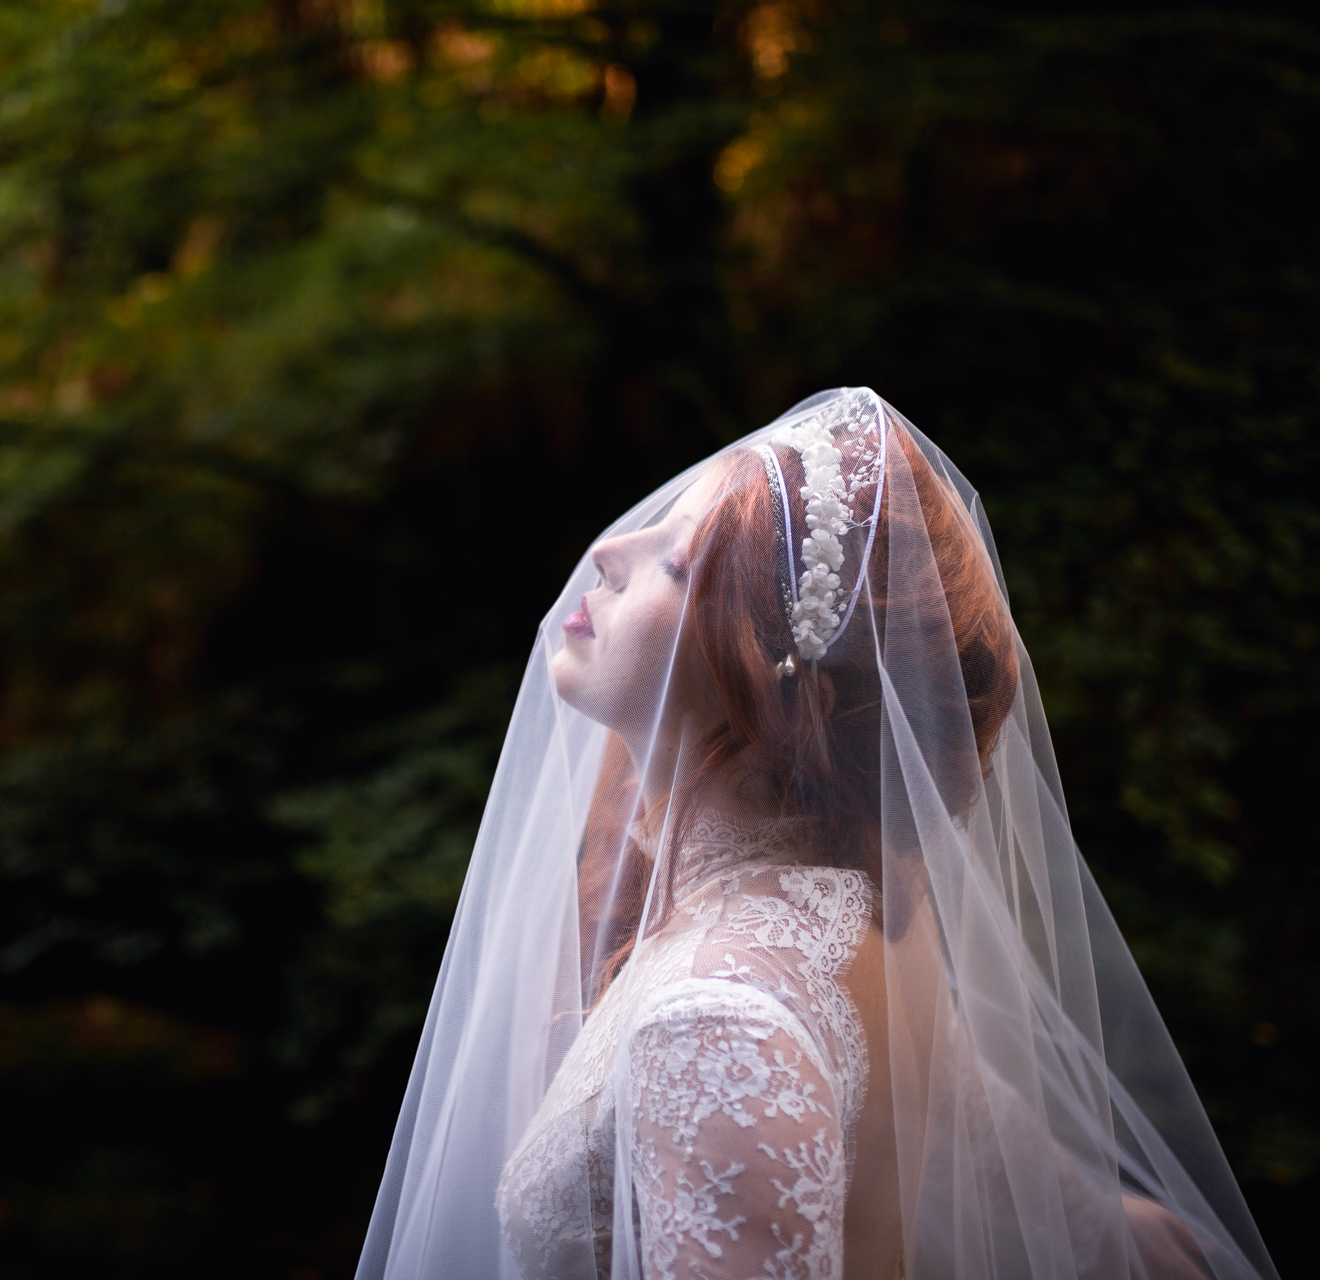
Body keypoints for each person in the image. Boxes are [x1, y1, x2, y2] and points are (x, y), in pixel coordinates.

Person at [355, 390, 1276, 1280]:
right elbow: (1115, 1238)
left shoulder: (715, 1022)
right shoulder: (865, 944)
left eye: (678, 563)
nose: (606, 549)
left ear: (773, 678)